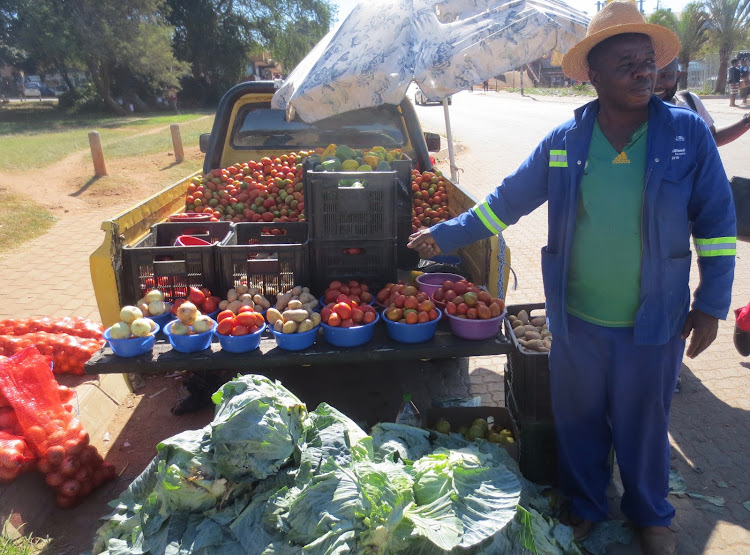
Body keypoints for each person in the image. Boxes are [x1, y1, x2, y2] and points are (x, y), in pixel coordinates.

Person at [407, 3, 736, 554]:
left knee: (645, 426)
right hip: (578, 319)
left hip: (653, 321)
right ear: (594, 74)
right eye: (627, 62)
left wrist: (712, 303)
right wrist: (448, 234)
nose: (643, 71)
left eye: (648, 61)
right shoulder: (566, 141)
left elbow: (718, 226)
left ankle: (652, 515)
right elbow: (506, 201)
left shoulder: (686, 136)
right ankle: (585, 504)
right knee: (580, 424)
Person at [654, 59, 750, 146]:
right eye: (652, 76)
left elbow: (712, 137)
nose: (657, 84)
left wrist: (747, 121)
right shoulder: (639, 112)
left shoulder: (690, 101)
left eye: (666, 76)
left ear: (678, 76)